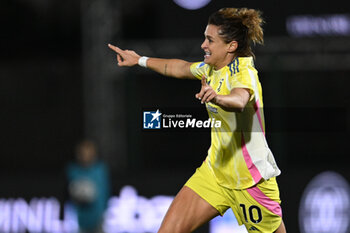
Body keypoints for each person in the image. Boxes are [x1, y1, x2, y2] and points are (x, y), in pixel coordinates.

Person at [108, 7, 286, 233]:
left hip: (250, 182)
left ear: (231, 46)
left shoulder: (244, 72)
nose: (203, 45)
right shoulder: (210, 69)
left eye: (210, 40)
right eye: (205, 38)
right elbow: (179, 67)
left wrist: (218, 98)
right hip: (215, 173)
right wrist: (139, 60)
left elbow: (240, 99)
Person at [65, 139, 111, 233]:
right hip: (79, 220)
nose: (85, 156)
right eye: (82, 153)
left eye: (88, 152)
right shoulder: (72, 170)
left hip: (98, 220)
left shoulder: (100, 170)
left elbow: (106, 192)